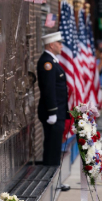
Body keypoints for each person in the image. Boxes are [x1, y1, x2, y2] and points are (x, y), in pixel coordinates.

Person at [37, 32, 68, 166]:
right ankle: (50, 176)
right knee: (52, 148)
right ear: (51, 45)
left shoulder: (52, 61)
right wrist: (52, 111)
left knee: (55, 147)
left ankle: (54, 178)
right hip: (53, 113)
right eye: (59, 43)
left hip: (58, 112)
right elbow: (48, 89)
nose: (61, 46)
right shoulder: (47, 63)